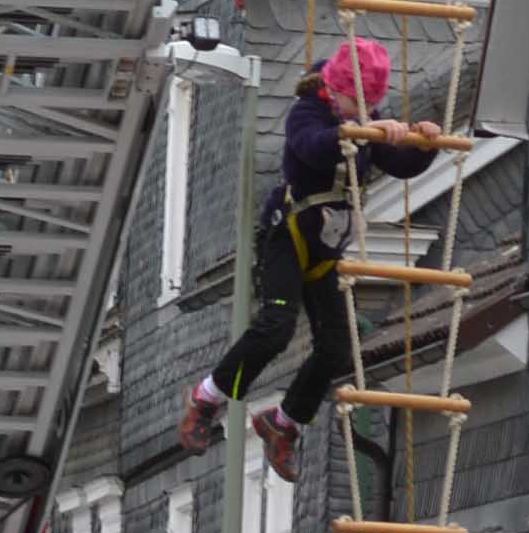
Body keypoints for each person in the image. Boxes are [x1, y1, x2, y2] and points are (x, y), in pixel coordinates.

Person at [174, 38, 445, 484]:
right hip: (289, 234)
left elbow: (400, 164)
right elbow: (310, 148)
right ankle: (208, 396)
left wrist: (422, 143)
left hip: (326, 247)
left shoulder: (367, 121)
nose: (361, 111)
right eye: (353, 102)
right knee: (276, 328)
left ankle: (285, 422)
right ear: (334, 90)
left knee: (338, 347)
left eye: (369, 105)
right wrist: (352, 134)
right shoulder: (309, 112)